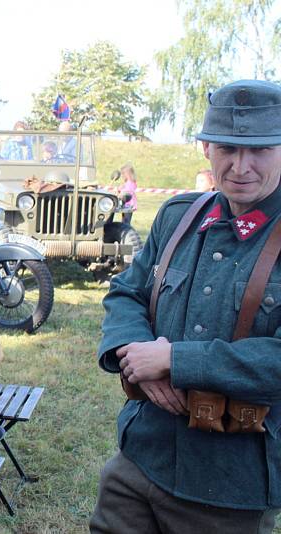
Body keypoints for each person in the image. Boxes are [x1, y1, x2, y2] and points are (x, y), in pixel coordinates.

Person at [91, 79, 281, 533]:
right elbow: (126, 293)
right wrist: (137, 357)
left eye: (260, 150)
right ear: (205, 149)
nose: (240, 166)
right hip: (140, 457)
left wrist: (175, 360)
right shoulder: (179, 217)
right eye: (227, 149)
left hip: (230, 484)